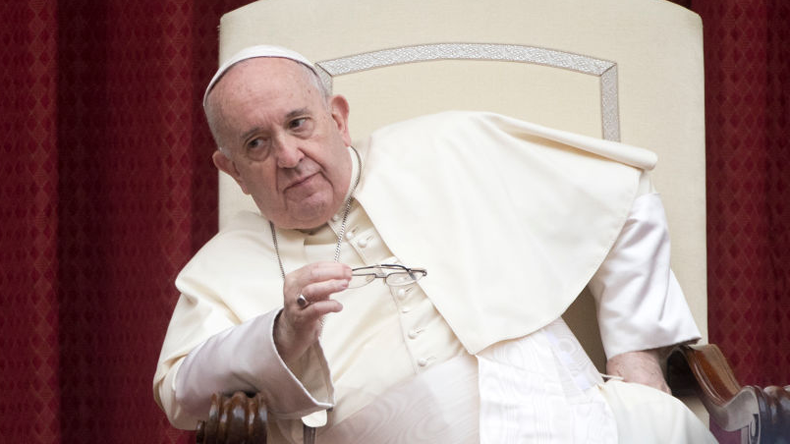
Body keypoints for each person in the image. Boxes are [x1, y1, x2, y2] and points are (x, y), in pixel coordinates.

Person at [154, 45, 716, 443]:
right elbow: (181, 392)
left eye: (298, 124)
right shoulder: (224, 263)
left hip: (571, 414)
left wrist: (636, 358)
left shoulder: (449, 145)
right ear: (230, 170)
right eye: (257, 143)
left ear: (338, 118)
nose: (289, 156)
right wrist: (281, 334)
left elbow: (623, 193)